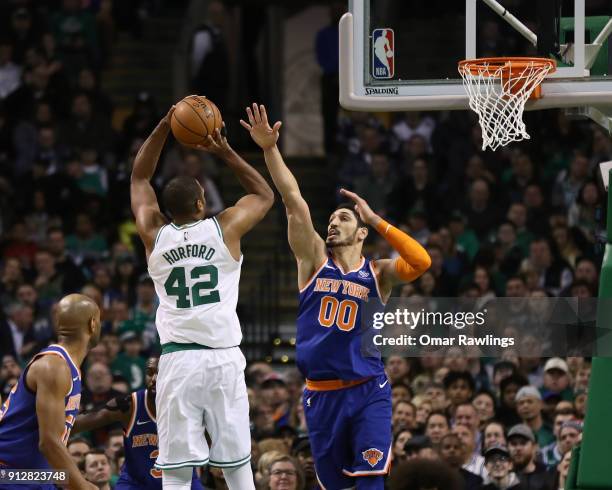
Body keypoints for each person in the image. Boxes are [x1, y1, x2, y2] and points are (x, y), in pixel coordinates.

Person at [240, 103, 431, 489]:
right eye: (331, 219)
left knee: (371, 480)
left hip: (368, 389)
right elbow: (293, 199)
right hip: (321, 395)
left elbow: (421, 260)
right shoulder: (313, 262)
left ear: (361, 233)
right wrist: (269, 149)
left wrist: (376, 219)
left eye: (343, 218)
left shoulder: (378, 272)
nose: (333, 222)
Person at [131, 106, 274, 489]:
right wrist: (225, 151)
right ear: (201, 204)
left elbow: (140, 175)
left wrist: (164, 124)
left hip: (177, 361)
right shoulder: (224, 228)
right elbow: (263, 194)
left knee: (176, 470)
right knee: (237, 465)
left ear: (166, 211)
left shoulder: (153, 234)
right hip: (222, 359)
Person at [0, 294, 102, 490]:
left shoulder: (66, 366)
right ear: (93, 324)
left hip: (31, 475)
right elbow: (48, 443)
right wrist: (83, 486)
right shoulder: (55, 366)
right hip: (9, 474)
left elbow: (56, 431)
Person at [73, 357, 203, 489]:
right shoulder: (129, 406)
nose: (154, 379)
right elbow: (78, 424)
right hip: (136, 484)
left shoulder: (191, 406)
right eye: (150, 373)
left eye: (161, 372)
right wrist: (55, 426)